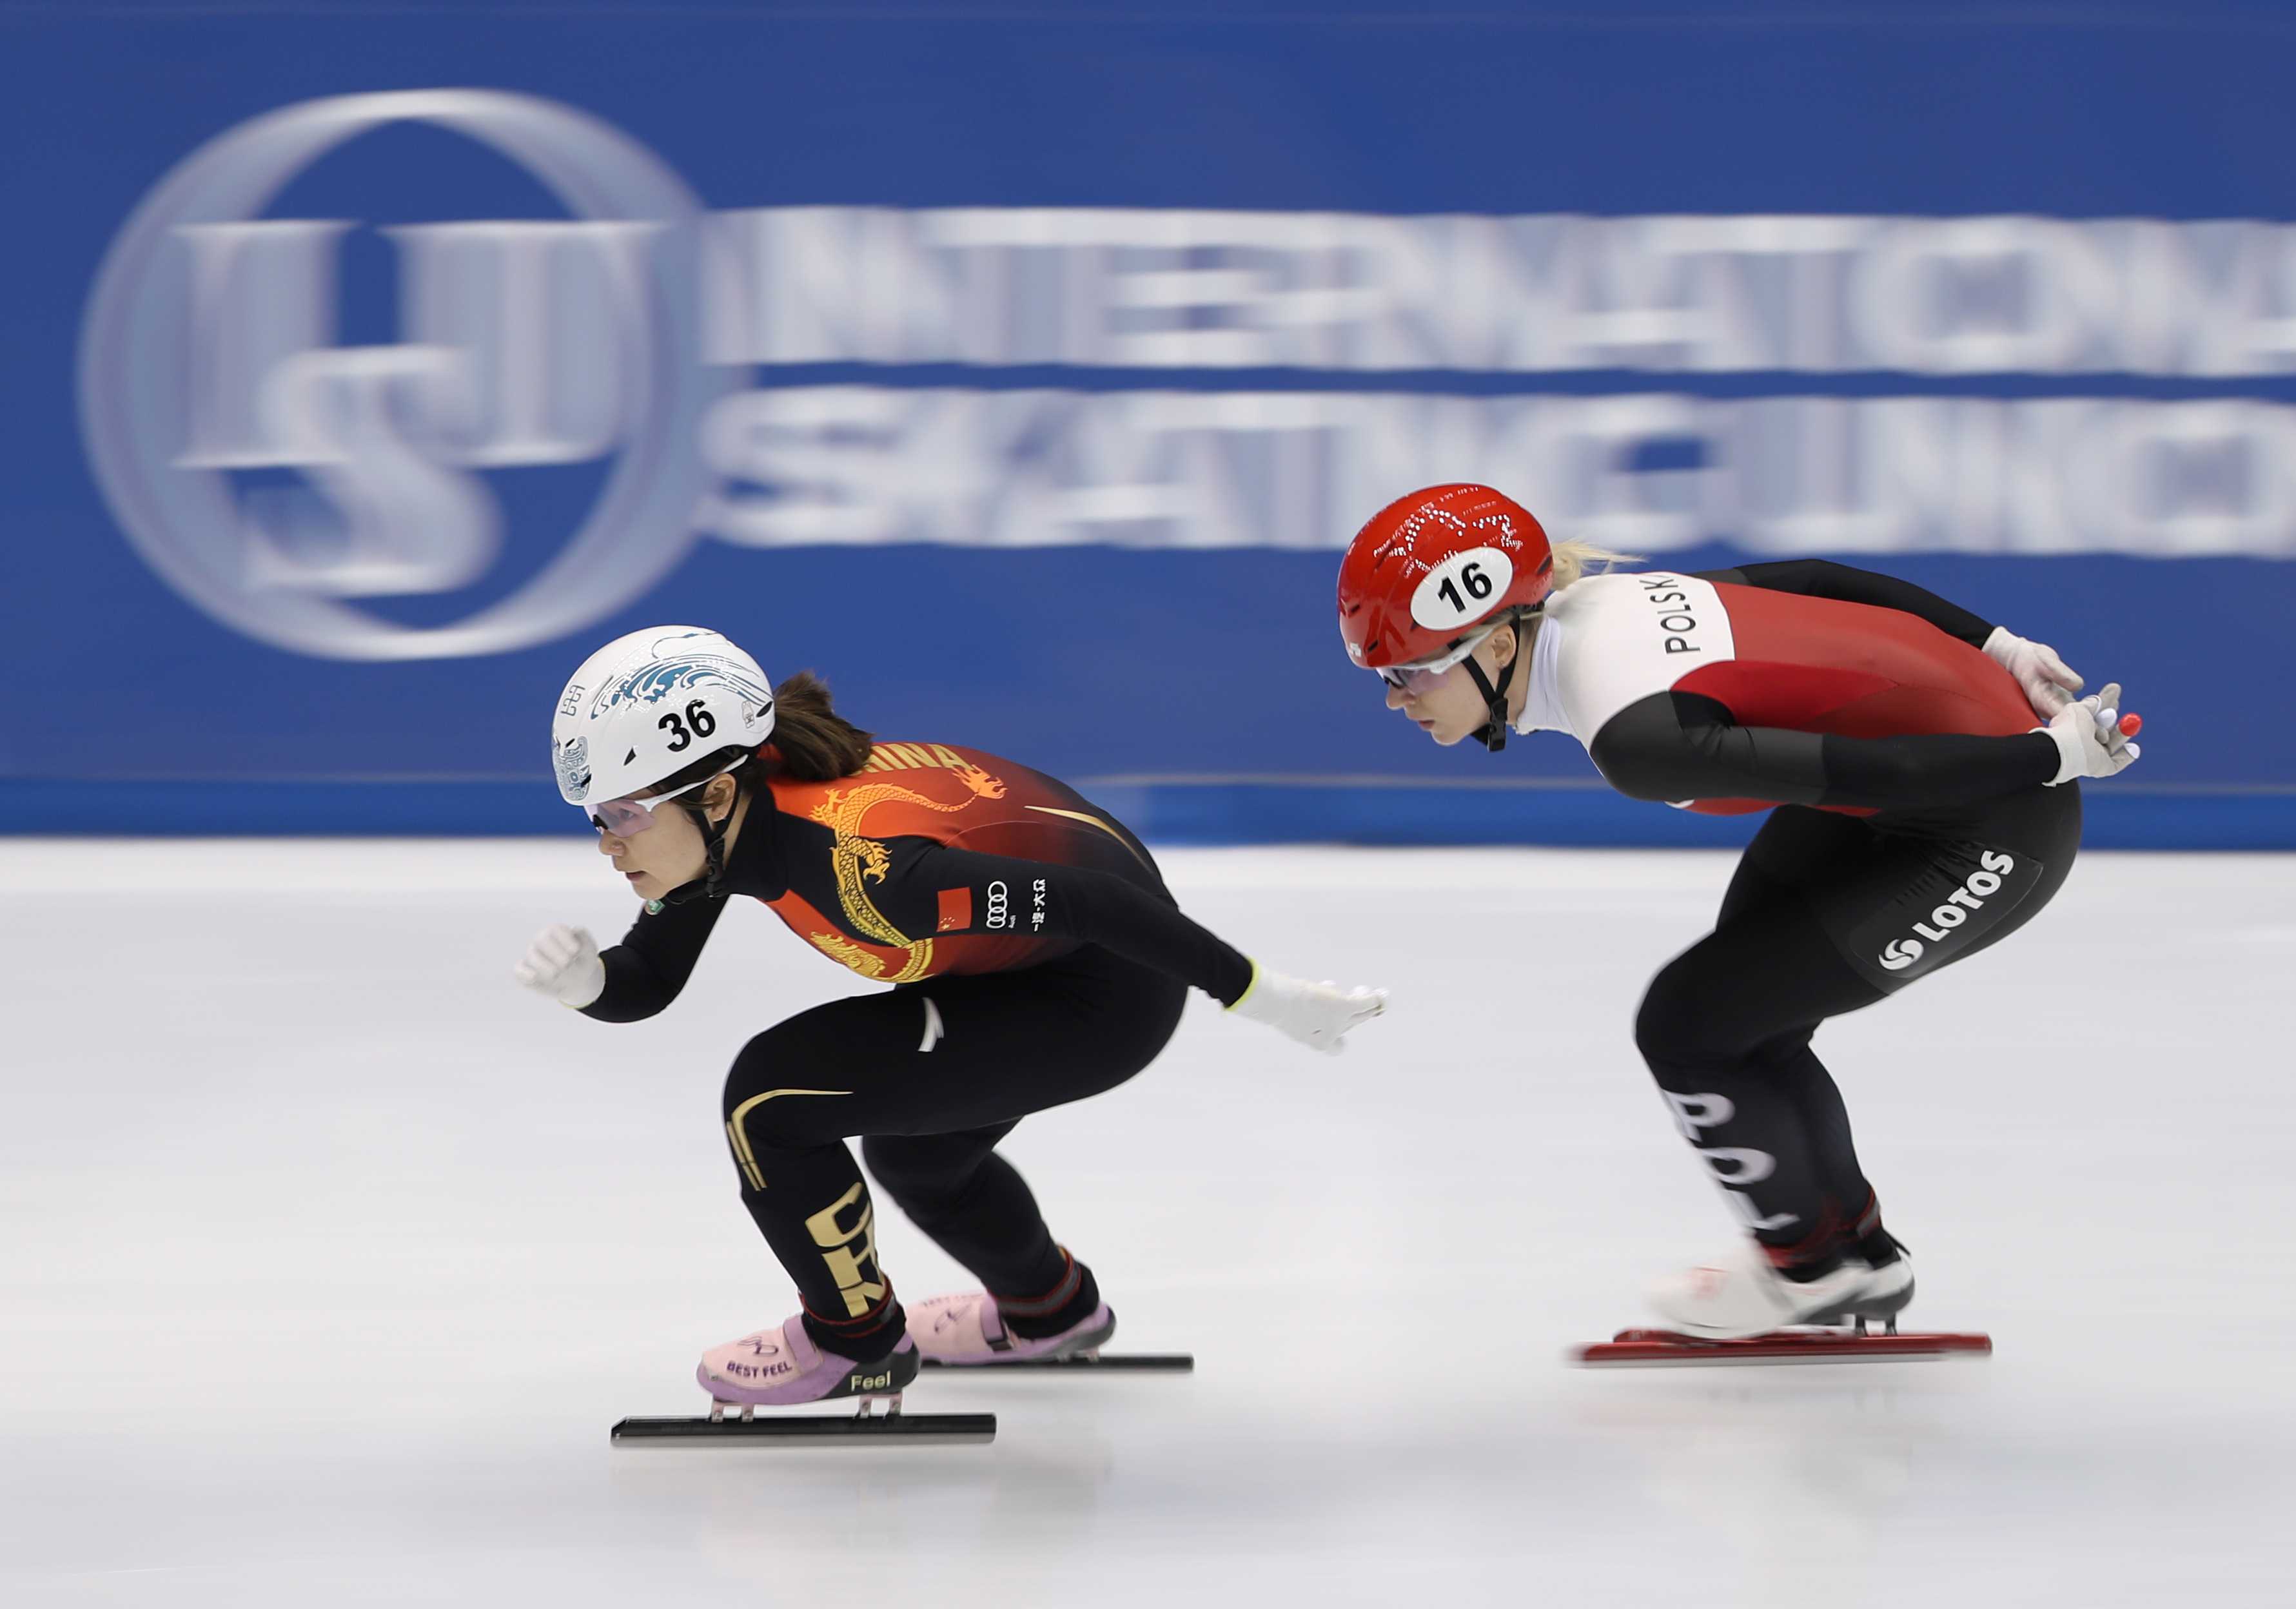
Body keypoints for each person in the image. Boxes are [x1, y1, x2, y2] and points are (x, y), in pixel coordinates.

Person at [1335, 485, 2137, 1339]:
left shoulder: (1637, 738)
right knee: (1742, 1023)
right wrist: (1999, 645)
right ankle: (1849, 1257)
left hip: (1991, 822)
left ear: (1498, 646)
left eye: (1409, 672)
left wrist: (2042, 757)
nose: (1396, 698)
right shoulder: (1602, 605)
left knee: (1687, 1025)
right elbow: (1820, 580)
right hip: (1927, 795)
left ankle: (1807, 1270)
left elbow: (1885, 772)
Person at [515, 626, 1386, 1406]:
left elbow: (1097, 904)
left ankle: (853, 1343)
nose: (606, 841)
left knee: (769, 1100)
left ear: (713, 794)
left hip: (1105, 991)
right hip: (1033, 969)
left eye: (623, 814)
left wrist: (1263, 995)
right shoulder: (739, 816)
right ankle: (1048, 1309)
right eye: (597, 815)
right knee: (920, 1152)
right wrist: (591, 981)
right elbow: (648, 980)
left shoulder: (867, 874)